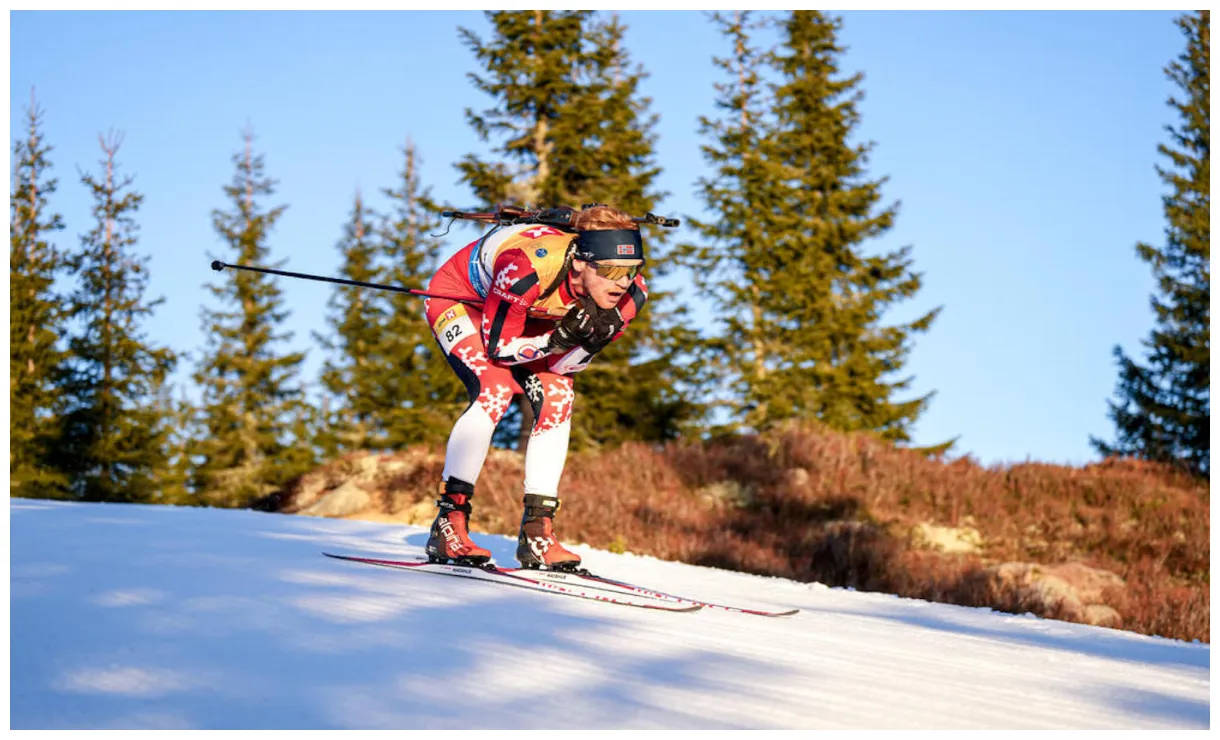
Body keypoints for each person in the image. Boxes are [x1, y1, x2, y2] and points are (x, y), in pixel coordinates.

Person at [421, 204, 648, 570]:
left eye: (631, 270)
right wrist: (556, 339)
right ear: (579, 263)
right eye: (610, 271)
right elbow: (498, 349)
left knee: (558, 397)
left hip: (529, 317)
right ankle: (450, 520)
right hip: (468, 301)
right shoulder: (525, 269)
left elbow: (562, 368)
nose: (621, 282)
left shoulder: (631, 296)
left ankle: (537, 530)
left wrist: (587, 343)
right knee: (493, 389)